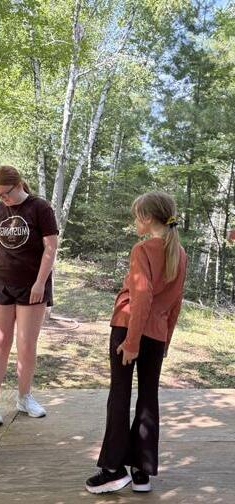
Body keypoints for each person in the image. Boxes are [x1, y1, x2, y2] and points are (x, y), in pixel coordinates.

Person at [85, 191, 187, 494]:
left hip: (129, 328)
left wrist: (131, 342)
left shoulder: (142, 250)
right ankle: (142, 472)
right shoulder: (180, 253)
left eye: (136, 216)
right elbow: (176, 303)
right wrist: (165, 340)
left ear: (147, 217)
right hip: (156, 334)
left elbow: (141, 297)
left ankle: (113, 470)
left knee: (119, 395)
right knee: (148, 398)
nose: (134, 222)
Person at [0, 165, 58, 426]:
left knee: (26, 345)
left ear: (19, 184)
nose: (4, 198)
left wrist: (40, 282)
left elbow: (51, 247)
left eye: (6, 193)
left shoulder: (40, 207)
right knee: (0, 343)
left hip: (31, 285)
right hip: (2, 283)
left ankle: (24, 397)